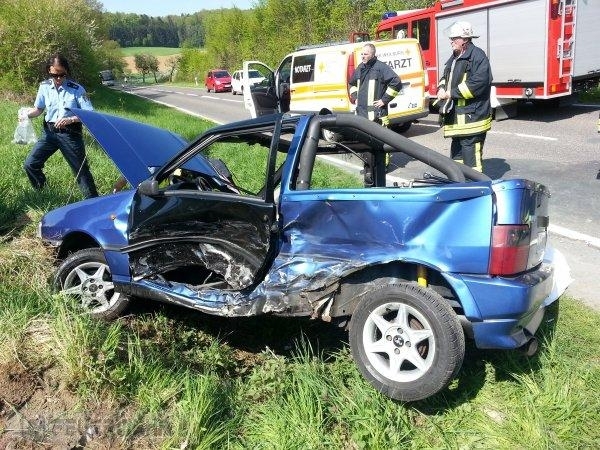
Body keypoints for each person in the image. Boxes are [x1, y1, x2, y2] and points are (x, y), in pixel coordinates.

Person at [21, 54, 98, 198]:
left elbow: (89, 114)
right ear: (48, 71)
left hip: (70, 134)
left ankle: (94, 203)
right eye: (54, 75)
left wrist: (70, 120)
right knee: (30, 164)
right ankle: (44, 193)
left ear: (66, 71)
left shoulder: (77, 89)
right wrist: (25, 115)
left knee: (81, 171)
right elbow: (38, 109)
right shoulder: (44, 87)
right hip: (49, 134)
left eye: (62, 75)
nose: (58, 78)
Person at [435, 21, 492, 173]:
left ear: (465, 39)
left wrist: (451, 93)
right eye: (451, 38)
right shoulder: (456, 56)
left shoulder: (477, 56)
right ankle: (460, 183)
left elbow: (479, 83)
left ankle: (476, 186)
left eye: (454, 38)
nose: (451, 41)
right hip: (457, 121)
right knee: (457, 160)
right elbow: (445, 77)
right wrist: (441, 88)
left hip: (472, 121)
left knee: (472, 164)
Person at [348, 43, 403, 185]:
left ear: (373, 54)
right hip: (362, 115)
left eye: (365, 54)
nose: (363, 56)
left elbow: (396, 83)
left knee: (380, 143)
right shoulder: (360, 68)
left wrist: (384, 100)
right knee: (365, 144)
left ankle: (382, 168)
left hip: (377, 115)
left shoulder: (381, 68)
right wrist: (355, 96)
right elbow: (351, 83)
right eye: (362, 54)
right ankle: (368, 168)